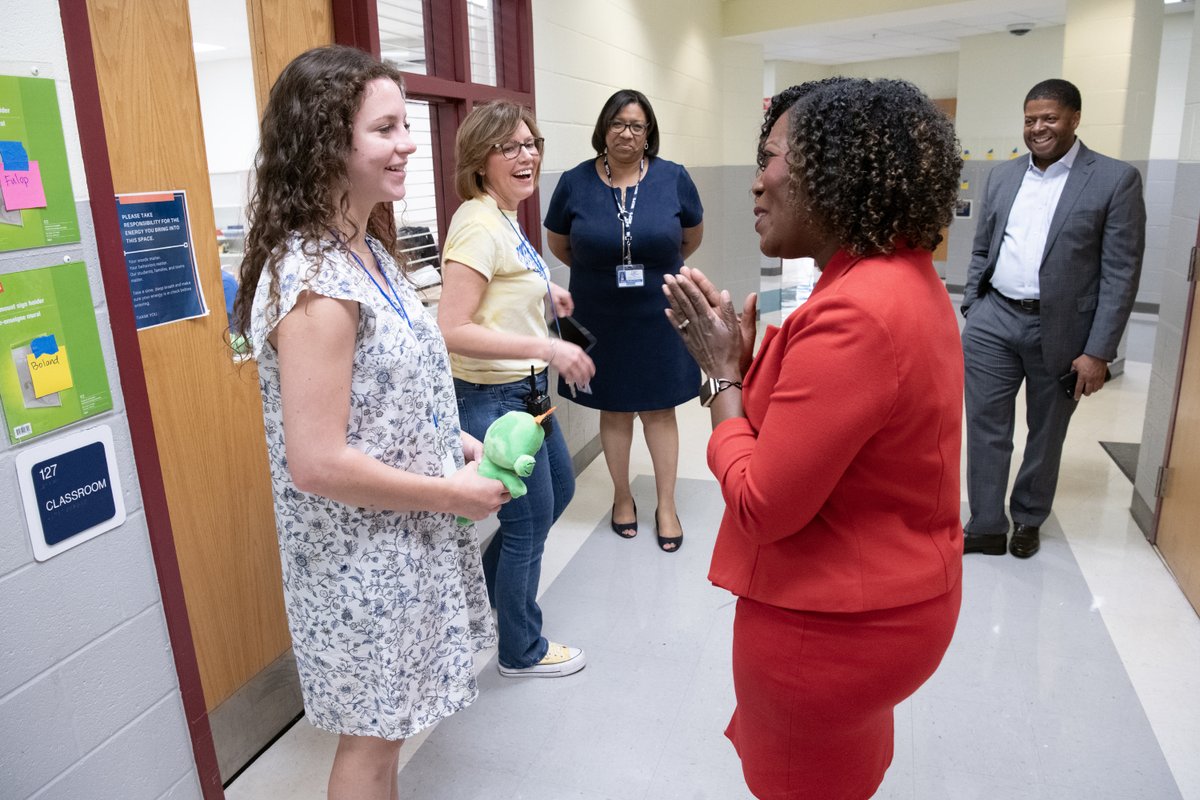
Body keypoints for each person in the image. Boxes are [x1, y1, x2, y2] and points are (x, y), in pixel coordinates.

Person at [663, 78, 964, 799]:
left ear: (836, 171)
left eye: (770, 158)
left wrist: (721, 381)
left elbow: (761, 504)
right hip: (885, 606)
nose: (755, 182)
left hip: (829, 628)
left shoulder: (857, 312)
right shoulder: (899, 276)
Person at [233, 46, 507, 800]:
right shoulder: (316, 281)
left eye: (405, 125)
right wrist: (451, 494)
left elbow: (384, 396)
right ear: (327, 142)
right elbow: (317, 460)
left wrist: (454, 442)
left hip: (403, 541)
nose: (409, 143)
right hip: (360, 560)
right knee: (373, 744)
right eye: (385, 129)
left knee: (391, 732)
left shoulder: (367, 251)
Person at [438, 100, 595, 678]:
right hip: (494, 400)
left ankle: (483, 600)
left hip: (528, 399)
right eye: (510, 147)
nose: (526, 155)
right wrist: (548, 348)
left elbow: (499, 292)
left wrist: (544, 297)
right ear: (481, 160)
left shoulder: (503, 216)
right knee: (527, 522)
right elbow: (452, 327)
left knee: (560, 492)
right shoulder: (477, 224)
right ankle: (520, 650)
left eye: (531, 143)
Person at [961, 79, 1145, 559]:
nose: (1037, 128)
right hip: (994, 320)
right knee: (985, 425)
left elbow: (1120, 273)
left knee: (1046, 432)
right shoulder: (1002, 176)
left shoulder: (1114, 179)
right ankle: (985, 523)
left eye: (1049, 118)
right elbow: (982, 247)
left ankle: (1027, 517)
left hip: (1063, 331)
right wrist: (974, 308)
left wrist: (1098, 352)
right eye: (1030, 119)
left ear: (1074, 119)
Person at [544, 89, 703, 551]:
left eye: (636, 125)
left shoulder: (673, 177)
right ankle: (622, 497)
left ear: (648, 132)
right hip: (599, 313)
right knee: (613, 407)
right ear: (604, 129)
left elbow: (689, 238)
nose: (627, 133)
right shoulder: (575, 182)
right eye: (618, 123)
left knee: (660, 408)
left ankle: (666, 504)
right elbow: (561, 244)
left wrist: (653, 268)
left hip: (660, 311)